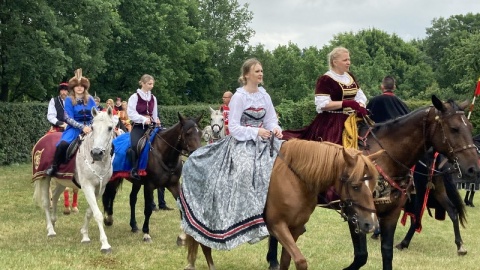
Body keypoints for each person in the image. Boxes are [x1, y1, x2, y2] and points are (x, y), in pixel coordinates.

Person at [179, 58, 283, 250]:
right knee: (244, 170)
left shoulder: (264, 96)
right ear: (246, 75)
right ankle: (248, 219)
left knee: (286, 164)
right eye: (257, 71)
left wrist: (275, 129)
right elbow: (233, 127)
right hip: (242, 142)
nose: (261, 74)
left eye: (261, 71)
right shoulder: (239, 97)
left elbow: (270, 119)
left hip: (264, 139)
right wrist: (255, 132)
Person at [282, 46, 368, 144]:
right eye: (345, 60)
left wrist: (360, 105)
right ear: (335, 62)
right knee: (333, 149)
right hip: (333, 122)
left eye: (349, 59)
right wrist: (345, 103)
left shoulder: (350, 76)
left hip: (353, 119)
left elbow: (360, 95)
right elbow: (322, 104)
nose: (348, 62)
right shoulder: (325, 79)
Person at [366, 75, 410, 239]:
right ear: (394, 87)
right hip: (398, 152)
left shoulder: (375, 101)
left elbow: (366, 120)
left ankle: (376, 222)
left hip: (378, 148)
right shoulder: (402, 104)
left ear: (381, 86)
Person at [45, 69, 96, 177]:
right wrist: (82, 127)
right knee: (63, 144)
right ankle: (54, 166)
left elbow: (95, 114)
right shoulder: (69, 99)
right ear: (73, 87)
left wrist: (90, 126)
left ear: (84, 87)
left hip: (91, 128)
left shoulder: (90, 99)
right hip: (74, 128)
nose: (79, 88)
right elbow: (67, 118)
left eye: (81, 86)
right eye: (77, 86)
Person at [46, 81, 80, 213]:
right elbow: (50, 115)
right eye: (62, 90)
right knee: (52, 146)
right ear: (60, 91)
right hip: (59, 128)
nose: (64, 92)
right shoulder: (54, 101)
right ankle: (53, 166)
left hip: (75, 128)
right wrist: (60, 123)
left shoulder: (75, 100)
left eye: (66, 90)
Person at [127, 74, 161, 180]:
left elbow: (154, 113)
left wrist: (156, 122)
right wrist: (143, 119)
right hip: (138, 126)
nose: (151, 86)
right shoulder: (134, 97)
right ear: (142, 83)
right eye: (149, 84)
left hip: (151, 126)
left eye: (152, 84)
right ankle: (134, 169)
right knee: (134, 145)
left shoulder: (153, 98)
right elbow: (131, 113)